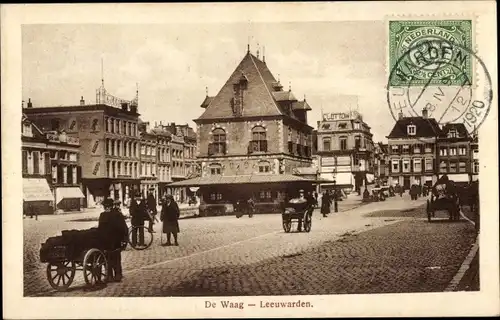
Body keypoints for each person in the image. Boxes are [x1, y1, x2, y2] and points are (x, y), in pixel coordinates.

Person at [98, 198, 128, 282]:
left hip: (111, 240)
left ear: (109, 207)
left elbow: (100, 229)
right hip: (111, 240)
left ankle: (114, 275)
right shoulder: (114, 214)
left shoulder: (108, 215)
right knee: (112, 258)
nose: (106, 208)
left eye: (106, 207)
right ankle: (114, 275)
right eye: (105, 207)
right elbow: (123, 228)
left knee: (112, 258)